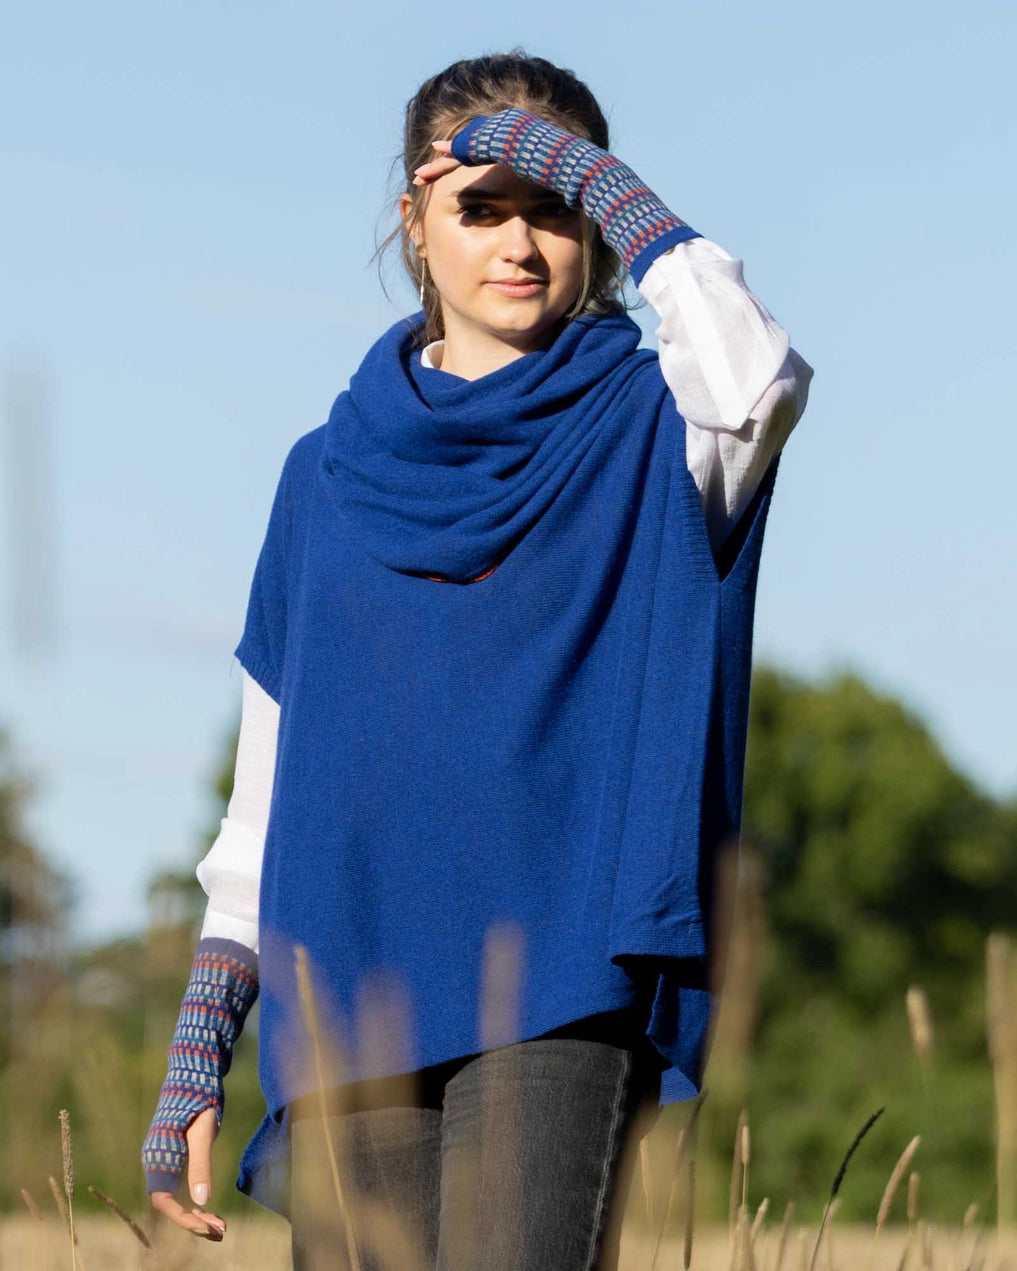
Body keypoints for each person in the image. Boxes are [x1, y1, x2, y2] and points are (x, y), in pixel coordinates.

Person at [141, 49, 813, 1271]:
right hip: (342, 979)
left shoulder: (663, 421)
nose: (521, 239)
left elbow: (757, 371)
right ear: (415, 220)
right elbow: (267, 788)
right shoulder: (323, 472)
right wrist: (202, 1042)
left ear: (599, 222)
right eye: (482, 205)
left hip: (560, 970)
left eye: (554, 208)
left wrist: (592, 171)